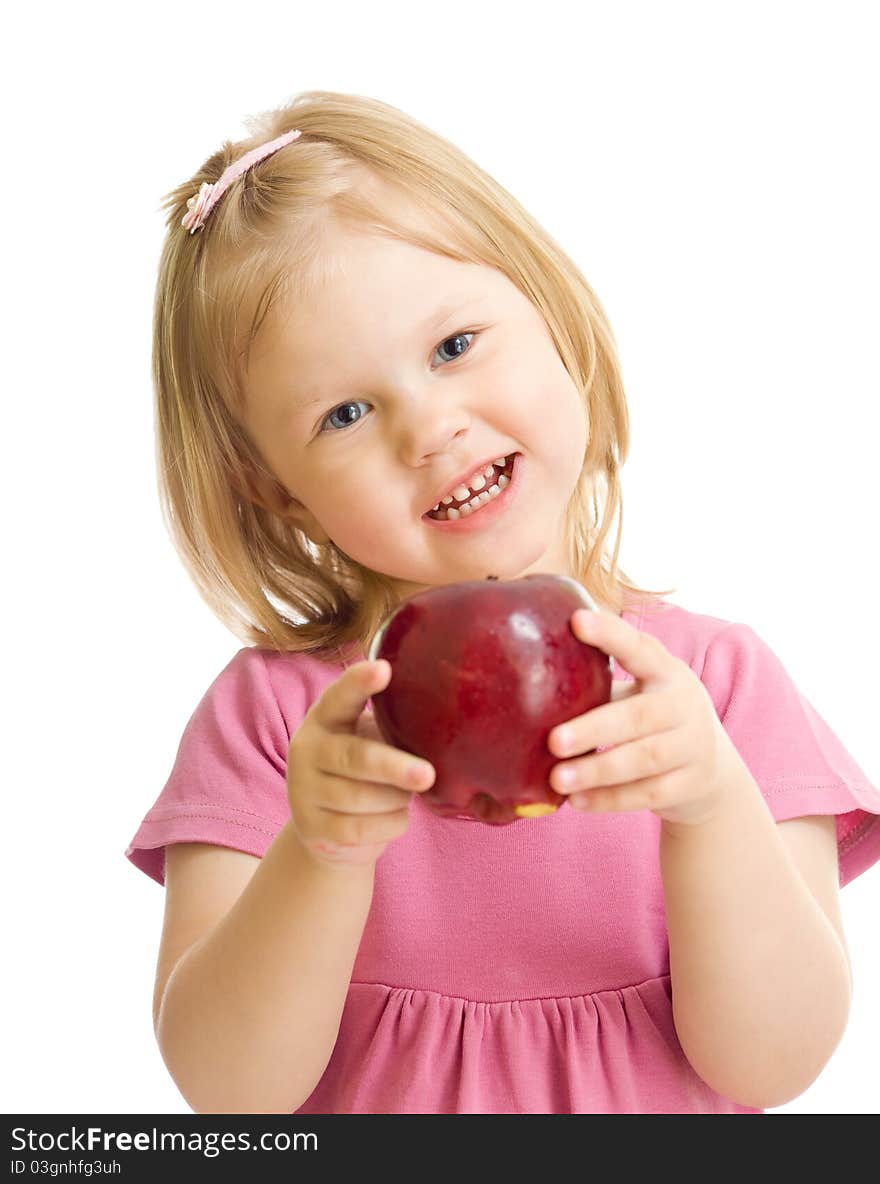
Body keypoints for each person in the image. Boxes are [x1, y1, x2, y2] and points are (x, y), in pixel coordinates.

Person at [126, 90, 880, 1115]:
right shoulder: (283, 722)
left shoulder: (714, 690)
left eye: (454, 346)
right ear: (272, 485)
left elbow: (774, 1062)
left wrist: (707, 804)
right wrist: (321, 849)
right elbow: (229, 1093)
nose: (429, 428)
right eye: (346, 411)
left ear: (550, 313)